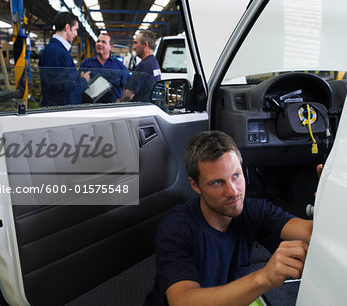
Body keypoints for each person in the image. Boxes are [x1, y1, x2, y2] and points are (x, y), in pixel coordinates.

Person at [144, 130, 313, 306]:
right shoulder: (176, 227)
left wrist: (330, 199)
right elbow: (182, 301)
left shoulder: (253, 210)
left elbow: (309, 231)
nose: (233, 192)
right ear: (195, 185)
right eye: (218, 182)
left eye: (236, 176)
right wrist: (263, 278)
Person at [39, 12, 90, 106]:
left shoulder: (51, 49)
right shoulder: (60, 53)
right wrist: (84, 80)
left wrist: (77, 78)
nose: (76, 34)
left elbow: (60, 82)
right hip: (62, 109)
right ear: (67, 28)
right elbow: (68, 89)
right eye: (75, 30)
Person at [79, 33, 129, 103]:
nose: (99, 44)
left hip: (112, 107)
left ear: (111, 47)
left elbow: (128, 86)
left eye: (103, 42)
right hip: (90, 106)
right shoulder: (86, 64)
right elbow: (78, 83)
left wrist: (121, 100)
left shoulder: (119, 66)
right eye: (98, 41)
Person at [119, 30, 161, 102]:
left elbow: (128, 94)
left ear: (145, 45)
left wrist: (117, 102)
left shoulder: (143, 66)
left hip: (140, 108)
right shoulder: (153, 62)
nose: (133, 47)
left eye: (135, 43)